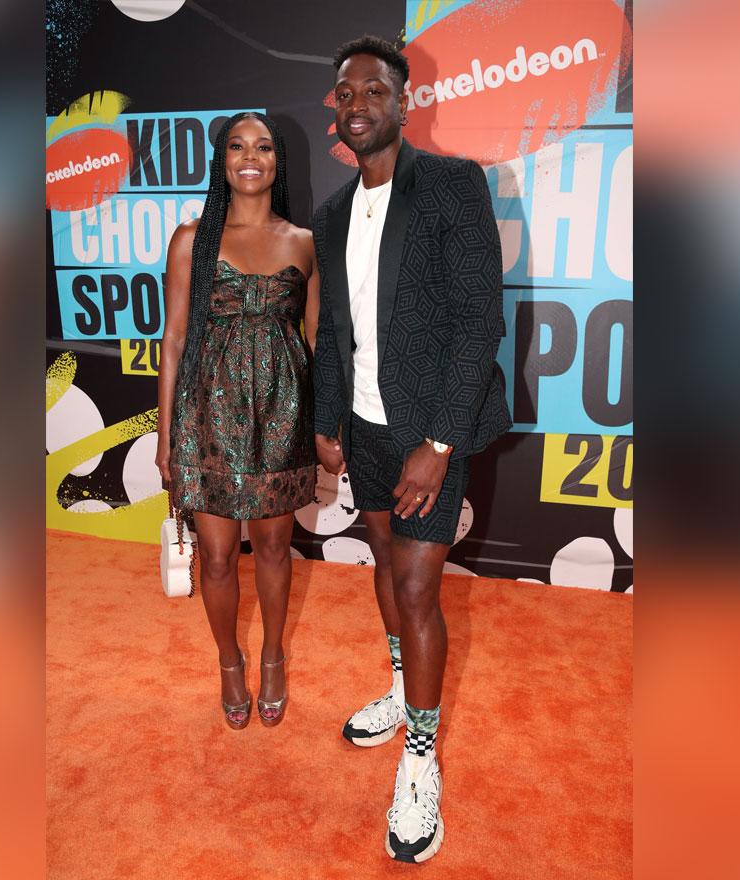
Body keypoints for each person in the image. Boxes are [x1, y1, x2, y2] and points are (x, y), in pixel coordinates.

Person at [311, 36, 511, 862]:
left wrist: (438, 440)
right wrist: (328, 422)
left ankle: (420, 758)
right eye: (344, 92)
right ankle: (400, 688)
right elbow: (334, 331)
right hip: (362, 427)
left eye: (372, 90)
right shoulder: (329, 214)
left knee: (420, 589)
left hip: (431, 430)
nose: (355, 103)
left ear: (403, 103)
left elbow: (479, 322)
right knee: (387, 570)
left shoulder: (453, 186)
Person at [157, 111, 320, 730]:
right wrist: (167, 435)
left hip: (283, 416)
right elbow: (173, 341)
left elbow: (315, 341)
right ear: (221, 159)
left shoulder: (303, 242)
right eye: (236, 146)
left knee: (276, 547)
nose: (250, 157)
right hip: (207, 421)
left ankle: (274, 654)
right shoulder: (190, 240)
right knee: (219, 557)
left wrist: (324, 423)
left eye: (264, 147)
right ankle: (230, 662)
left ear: (279, 162)